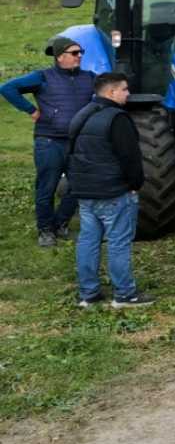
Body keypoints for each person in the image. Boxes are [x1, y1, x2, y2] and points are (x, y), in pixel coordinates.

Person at [68, 72, 154, 309]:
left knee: (88, 240)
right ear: (111, 92)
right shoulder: (117, 119)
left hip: (85, 191)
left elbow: (72, 150)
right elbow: (130, 158)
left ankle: (88, 294)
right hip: (113, 192)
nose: (128, 93)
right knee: (118, 243)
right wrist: (135, 185)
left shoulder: (82, 114)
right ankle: (125, 294)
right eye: (125, 89)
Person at [0, 35, 95, 246]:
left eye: (81, 53)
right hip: (49, 142)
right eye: (74, 53)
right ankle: (45, 231)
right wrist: (31, 110)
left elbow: (106, 94)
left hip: (77, 142)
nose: (79, 56)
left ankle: (60, 225)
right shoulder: (42, 77)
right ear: (60, 57)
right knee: (47, 187)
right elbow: (7, 88)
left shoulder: (89, 77)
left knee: (77, 186)